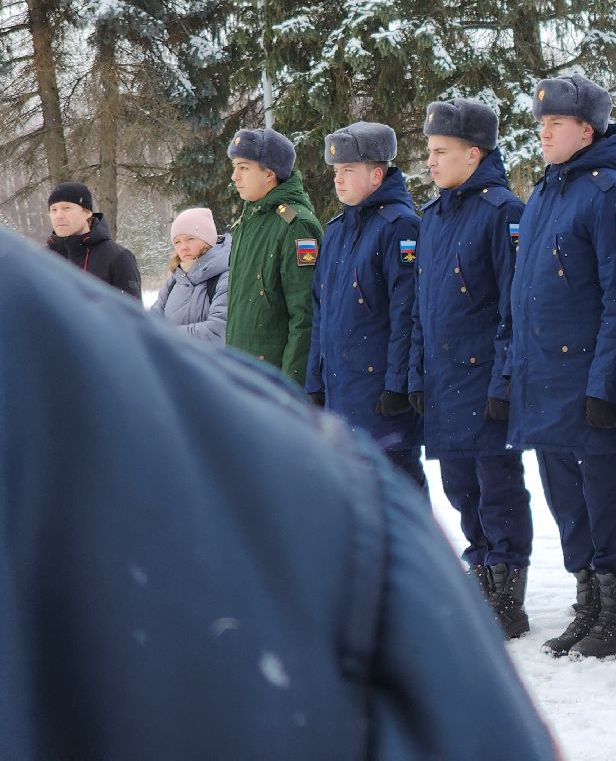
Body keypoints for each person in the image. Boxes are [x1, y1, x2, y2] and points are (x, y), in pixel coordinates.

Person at [0, 227, 557, 760]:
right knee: (471, 487)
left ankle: (564, 593)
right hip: (348, 383)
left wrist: (389, 376)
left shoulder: (326, 497)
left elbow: (331, 315)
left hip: (420, 382)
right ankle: (501, 580)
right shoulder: (312, 235)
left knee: (501, 487)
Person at [503, 73, 616, 660]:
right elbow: (522, 297)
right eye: (539, 124)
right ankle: (590, 599)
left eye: (554, 125)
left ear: (586, 130)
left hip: (591, 383)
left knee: (608, 497)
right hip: (546, 383)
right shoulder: (543, 195)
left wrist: (608, 383)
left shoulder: (612, 194)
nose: (543, 134)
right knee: (567, 500)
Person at [412, 98, 533, 638]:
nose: (430, 162)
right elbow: (421, 308)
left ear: (474, 153)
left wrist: (504, 379)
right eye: (429, 152)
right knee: (461, 487)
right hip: (444, 381)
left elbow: (514, 307)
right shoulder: (432, 217)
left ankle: (507, 594)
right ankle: (480, 577)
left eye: (441, 152)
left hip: (484, 379)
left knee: (497, 487)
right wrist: (415, 374)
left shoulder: (503, 212)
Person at [306, 121, 423, 487]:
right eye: (336, 171)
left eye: (348, 171)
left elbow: (406, 314)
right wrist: (315, 380)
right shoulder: (336, 230)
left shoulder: (399, 227)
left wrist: (397, 385)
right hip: (340, 390)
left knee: (396, 489)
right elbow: (320, 313)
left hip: (380, 396)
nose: (338, 179)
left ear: (376, 174)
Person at [226, 127, 323, 388]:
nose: (234, 176)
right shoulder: (247, 222)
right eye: (234, 167)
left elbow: (305, 317)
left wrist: (292, 386)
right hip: (242, 373)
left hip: (273, 381)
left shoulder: (295, 225)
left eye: (243, 167)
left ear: (270, 173)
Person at [45, 181, 141, 298]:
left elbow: (131, 313)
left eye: (66, 208)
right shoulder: (41, 259)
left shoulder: (117, 257)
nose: (58, 215)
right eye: (53, 210)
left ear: (87, 212)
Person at [150, 207, 229, 344]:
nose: (183, 247)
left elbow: (218, 331)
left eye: (190, 239)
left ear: (207, 240)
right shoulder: (174, 281)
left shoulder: (225, 277)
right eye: (177, 242)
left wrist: (166, 336)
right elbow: (152, 322)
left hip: (210, 364)